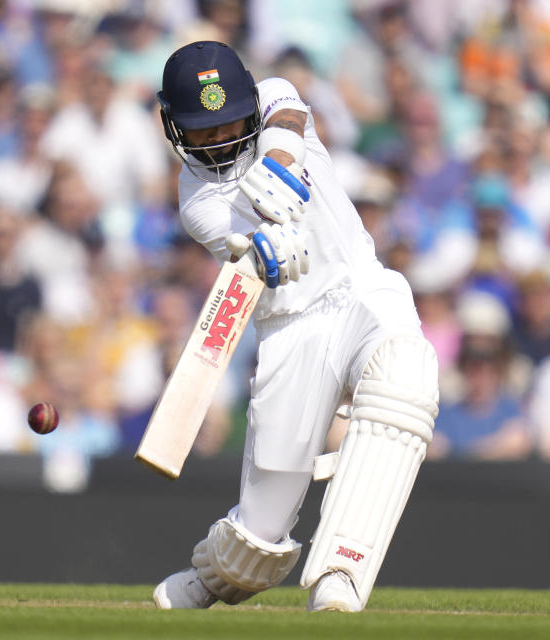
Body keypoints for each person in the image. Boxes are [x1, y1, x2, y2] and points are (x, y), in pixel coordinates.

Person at [150, 41, 439, 613]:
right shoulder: (197, 199)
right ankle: (216, 576)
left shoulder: (278, 96)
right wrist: (263, 240)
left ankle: (341, 572)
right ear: (174, 128)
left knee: (405, 373)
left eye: (229, 123)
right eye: (202, 131)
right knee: (257, 540)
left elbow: (288, 114)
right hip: (289, 329)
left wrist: (277, 165)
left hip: (361, 287)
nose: (219, 140)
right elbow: (249, 246)